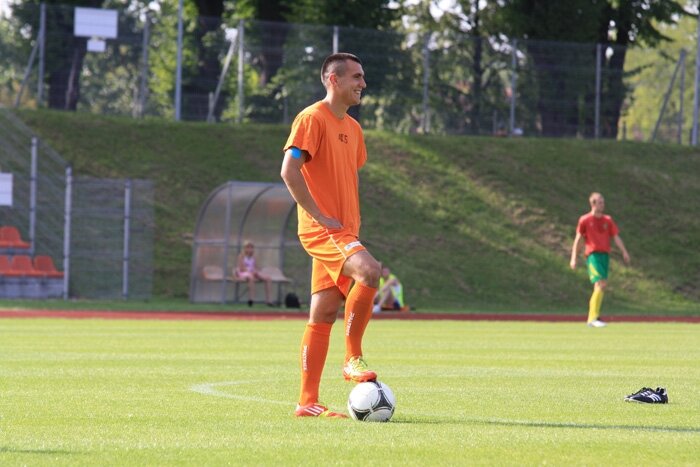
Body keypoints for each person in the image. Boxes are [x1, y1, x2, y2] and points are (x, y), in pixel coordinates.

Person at [280, 52, 381, 419]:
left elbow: (345, 174)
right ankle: (352, 357)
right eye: (356, 77)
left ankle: (307, 403)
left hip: (345, 229)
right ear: (333, 80)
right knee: (370, 271)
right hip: (326, 229)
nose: (363, 84)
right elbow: (289, 170)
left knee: (323, 311)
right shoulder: (311, 118)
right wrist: (318, 214)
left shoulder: (353, 129)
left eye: (363, 76)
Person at [570, 192, 630, 327]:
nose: (603, 205)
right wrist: (574, 257)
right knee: (600, 284)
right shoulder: (585, 220)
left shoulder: (607, 220)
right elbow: (578, 239)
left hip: (604, 256)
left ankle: (594, 316)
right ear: (593, 204)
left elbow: (616, 237)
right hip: (593, 255)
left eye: (603, 202)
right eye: (600, 203)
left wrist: (624, 252)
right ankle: (592, 318)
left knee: (601, 285)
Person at [234, 241, 274, 307]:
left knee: (268, 278)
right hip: (243, 273)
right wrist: (250, 271)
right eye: (248, 247)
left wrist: (256, 271)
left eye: (251, 247)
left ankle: (269, 301)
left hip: (253, 272)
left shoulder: (254, 257)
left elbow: (256, 267)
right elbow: (241, 268)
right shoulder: (241, 256)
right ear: (245, 248)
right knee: (251, 277)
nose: (250, 249)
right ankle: (251, 299)